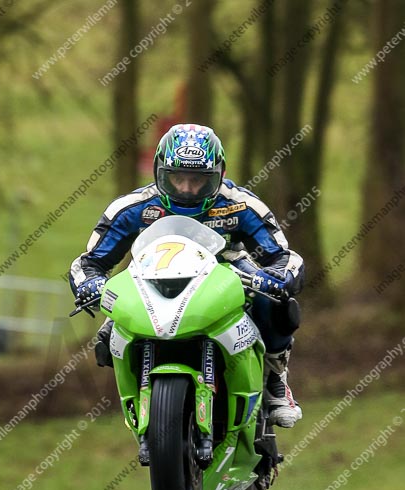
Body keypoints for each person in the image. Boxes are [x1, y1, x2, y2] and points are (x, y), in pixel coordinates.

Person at [68, 123, 304, 427]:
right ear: (158, 173)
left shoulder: (241, 203)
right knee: (107, 332)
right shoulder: (132, 208)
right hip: (151, 278)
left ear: (219, 175)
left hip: (226, 273)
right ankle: (141, 396)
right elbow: (89, 262)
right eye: (177, 179)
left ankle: (275, 380)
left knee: (274, 303)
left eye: (199, 181)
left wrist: (277, 278)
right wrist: (90, 284)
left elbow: (282, 256)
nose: (187, 189)